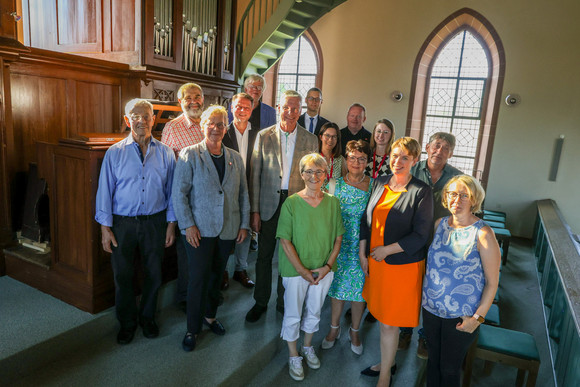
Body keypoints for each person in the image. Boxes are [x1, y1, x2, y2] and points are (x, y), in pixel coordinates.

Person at [95, 99, 176, 345]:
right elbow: (104, 192)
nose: (141, 120)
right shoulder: (115, 152)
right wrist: (105, 229)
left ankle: (148, 318)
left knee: (153, 273)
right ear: (127, 120)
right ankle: (127, 323)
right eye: (135, 116)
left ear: (153, 119)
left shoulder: (165, 152)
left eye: (146, 116)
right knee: (123, 275)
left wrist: (171, 224)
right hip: (123, 224)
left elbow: (172, 192)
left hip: (155, 222)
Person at [172, 105, 250, 352]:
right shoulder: (189, 154)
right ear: (203, 125)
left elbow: (243, 194)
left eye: (220, 124)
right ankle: (192, 328)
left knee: (217, 276)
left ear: (226, 127)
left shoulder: (235, 158)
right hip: (198, 231)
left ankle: (210, 316)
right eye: (211, 123)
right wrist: (188, 225)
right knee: (197, 280)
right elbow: (179, 195)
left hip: (227, 228)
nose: (215, 128)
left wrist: (244, 224)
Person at [359, 137, 433, 387]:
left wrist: (386, 250)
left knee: (390, 323)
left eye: (404, 157)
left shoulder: (421, 191)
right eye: (394, 155)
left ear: (414, 160)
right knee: (381, 318)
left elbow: (421, 235)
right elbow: (366, 220)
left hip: (400, 265)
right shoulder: (379, 182)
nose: (398, 161)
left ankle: (385, 376)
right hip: (376, 262)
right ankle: (388, 362)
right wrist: (363, 252)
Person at [245, 90, 319, 323]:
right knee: (264, 256)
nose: (290, 112)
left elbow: (314, 177)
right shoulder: (264, 136)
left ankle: (283, 302)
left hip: (296, 205)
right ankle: (260, 301)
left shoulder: (310, 139)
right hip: (268, 204)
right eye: (286, 107)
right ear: (278, 108)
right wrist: (254, 210)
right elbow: (255, 174)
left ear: (301, 111)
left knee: (289, 258)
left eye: (295, 108)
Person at [422, 175, 500, 387]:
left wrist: (477, 319)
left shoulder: (483, 233)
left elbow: (493, 283)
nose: (457, 199)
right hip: (431, 309)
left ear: (474, 200)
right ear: (446, 197)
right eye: (453, 194)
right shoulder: (439, 224)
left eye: (464, 195)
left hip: (461, 315)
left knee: (449, 369)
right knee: (433, 362)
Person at [277, 153, 345, 381]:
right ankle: (293, 354)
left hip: (323, 270)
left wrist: (327, 267)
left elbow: (338, 239)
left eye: (319, 171)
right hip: (296, 271)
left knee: (315, 310)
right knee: (293, 312)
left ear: (326, 175)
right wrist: (303, 271)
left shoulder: (333, 203)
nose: (314, 176)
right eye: (309, 171)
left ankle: (307, 346)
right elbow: (285, 240)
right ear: (301, 174)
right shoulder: (291, 203)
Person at [400, 132, 464, 357]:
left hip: (442, 244)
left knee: (433, 290)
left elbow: (466, 208)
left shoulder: (457, 178)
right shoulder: (411, 170)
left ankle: (425, 337)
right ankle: (404, 330)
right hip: (411, 239)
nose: (440, 151)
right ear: (427, 147)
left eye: (446, 148)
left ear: (451, 153)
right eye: (436, 146)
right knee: (409, 287)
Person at [322, 140, 372, 355]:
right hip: (338, 245)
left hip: (362, 246)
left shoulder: (375, 185)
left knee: (359, 292)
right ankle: (334, 328)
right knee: (338, 289)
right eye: (352, 157)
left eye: (361, 159)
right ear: (346, 159)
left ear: (367, 161)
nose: (356, 162)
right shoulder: (334, 184)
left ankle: (355, 330)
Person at [161, 82, 205, 310]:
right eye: (188, 97)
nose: (194, 101)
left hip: (208, 202)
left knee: (206, 251)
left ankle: (204, 295)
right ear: (180, 102)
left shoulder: (209, 124)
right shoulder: (172, 127)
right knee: (187, 253)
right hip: (186, 200)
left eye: (197, 96)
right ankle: (184, 299)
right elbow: (168, 170)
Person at [222, 92, 257, 289]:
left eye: (246, 107)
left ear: (252, 110)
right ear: (231, 108)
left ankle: (240, 269)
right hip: (228, 190)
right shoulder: (223, 131)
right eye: (238, 106)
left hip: (250, 189)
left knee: (246, 228)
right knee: (227, 230)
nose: (242, 110)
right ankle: (223, 271)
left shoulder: (259, 133)